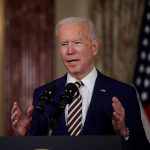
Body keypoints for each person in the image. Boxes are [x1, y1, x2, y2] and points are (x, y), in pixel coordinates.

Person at [11, 17, 149, 149]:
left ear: (94, 47)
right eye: (64, 44)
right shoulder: (44, 95)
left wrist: (124, 132)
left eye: (77, 42)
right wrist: (24, 137)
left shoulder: (123, 93)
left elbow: (142, 147)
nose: (70, 51)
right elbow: (37, 145)